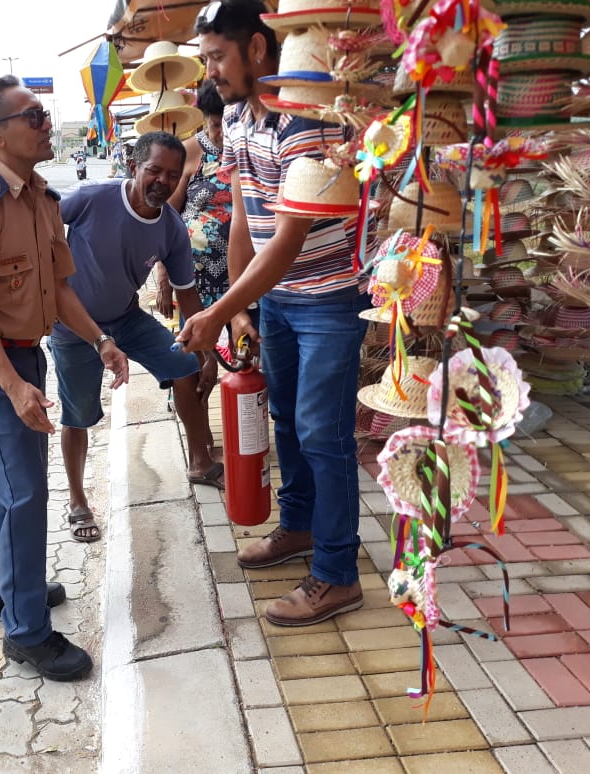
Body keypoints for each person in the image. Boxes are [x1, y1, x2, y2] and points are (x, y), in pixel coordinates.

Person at [178, 0, 372, 627]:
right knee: (286, 421)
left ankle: (339, 574)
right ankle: (299, 527)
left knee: (324, 433)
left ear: (256, 50)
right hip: (277, 300)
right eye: (205, 58)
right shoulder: (234, 118)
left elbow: (288, 235)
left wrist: (217, 311)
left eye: (216, 57)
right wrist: (240, 310)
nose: (210, 71)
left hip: (328, 300)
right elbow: (243, 217)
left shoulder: (306, 122)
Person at [0, 75, 129, 682]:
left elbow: (60, 287)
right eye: (34, 116)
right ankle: (26, 633)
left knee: (12, 482)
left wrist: (101, 340)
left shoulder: (38, 196)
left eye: (44, 114)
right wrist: (13, 385)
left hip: (23, 357)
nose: (46, 124)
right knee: (26, 493)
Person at [49, 130, 224, 544]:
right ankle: (77, 500)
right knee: (79, 415)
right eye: (154, 170)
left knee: (186, 366)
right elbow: (43, 219)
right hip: (74, 327)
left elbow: (187, 294)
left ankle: (200, 460)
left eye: (173, 174)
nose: (163, 181)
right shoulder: (92, 197)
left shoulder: (172, 228)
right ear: (133, 167)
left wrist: (206, 350)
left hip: (126, 318)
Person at [158, 78, 232, 314]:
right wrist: (163, 281)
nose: (221, 134)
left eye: (228, 125)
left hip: (245, 279)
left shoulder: (249, 149)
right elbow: (166, 219)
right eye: (215, 125)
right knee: (198, 348)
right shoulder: (190, 151)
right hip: (196, 283)